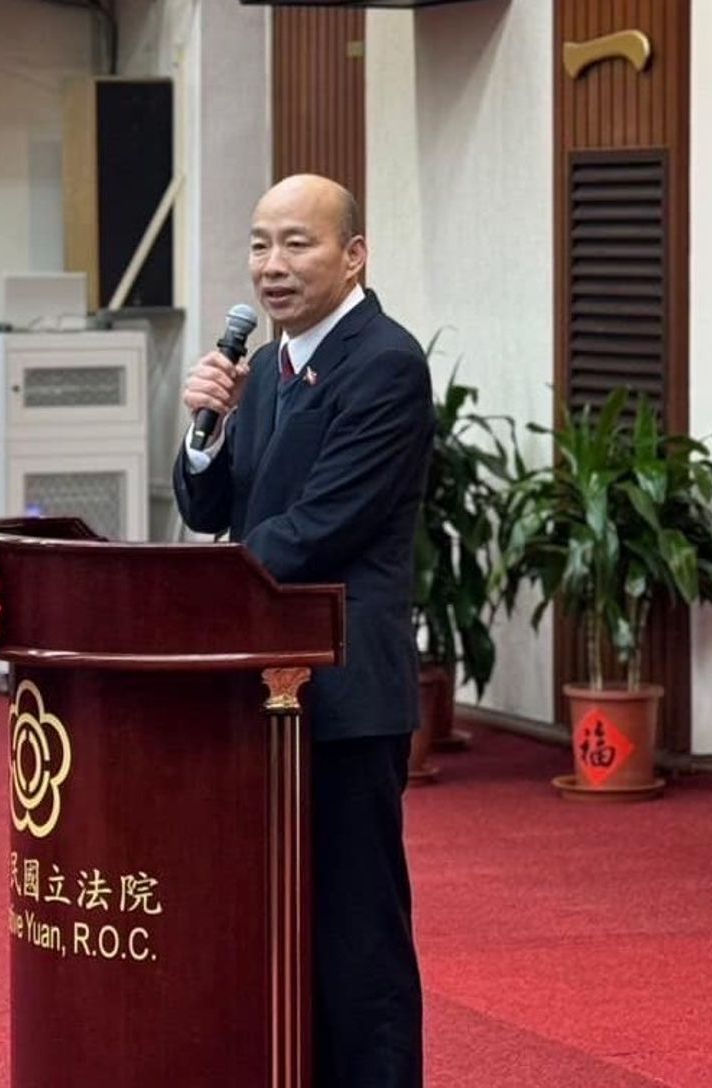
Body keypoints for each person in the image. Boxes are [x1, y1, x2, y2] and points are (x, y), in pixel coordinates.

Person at [172, 175, 434, 1086]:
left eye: (297, 243)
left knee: (358, 934)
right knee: (281, 925)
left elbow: (322, 526)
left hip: (343, 687)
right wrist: (205, 433)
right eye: (259, 244)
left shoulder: (384, 362)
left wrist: (190, 595)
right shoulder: (267, 366)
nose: (271, 266)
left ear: (353, 256)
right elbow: (213, 508)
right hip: (267, 689)